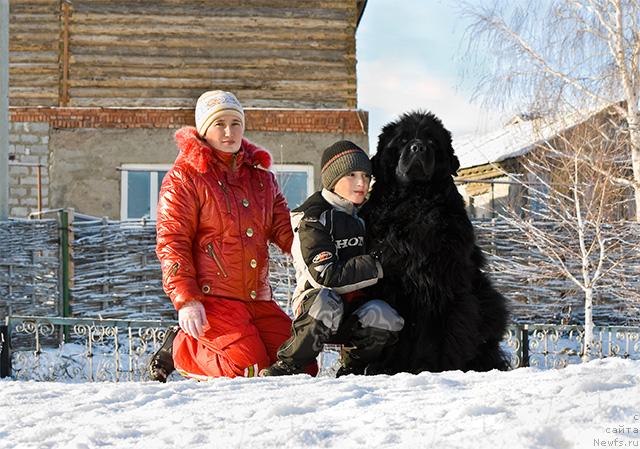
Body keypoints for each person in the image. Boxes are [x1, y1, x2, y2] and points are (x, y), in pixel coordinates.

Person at [149, 90, 303, 381]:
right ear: (204, 129)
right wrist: (186, 300)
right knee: (248, 368)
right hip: (213, 300)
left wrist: (316, 248)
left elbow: (286, 231)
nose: (229, 131)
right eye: (219, 124)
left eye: (236, 123)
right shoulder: (185, 177)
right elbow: (172, 242)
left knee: (300, 365)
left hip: (258, 297)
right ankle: (181, 346)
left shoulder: (262, 180)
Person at [260, 140, 405, 377]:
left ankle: (353, 368)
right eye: (351, 174)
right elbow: (325, 275)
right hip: (315, 305)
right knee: (326, 301)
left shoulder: (366, 215)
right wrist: (378, 263)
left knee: (386, 315)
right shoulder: (313, 217)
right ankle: (289, 365)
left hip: (355, 309)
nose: (361, 183)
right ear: (332, 178)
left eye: (366, 176)